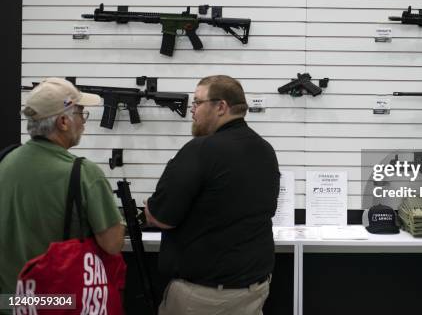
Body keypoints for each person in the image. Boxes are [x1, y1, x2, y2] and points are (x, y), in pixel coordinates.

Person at [145, 75, 280, 315]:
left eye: (197, 103)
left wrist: (148, 207)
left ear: (221, 107)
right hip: (254, 291)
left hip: (203, 298)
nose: (192, 111)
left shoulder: (200, 149)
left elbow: (159, 218)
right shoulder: (265, 150)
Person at [0, 78, 125, 301]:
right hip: (58, 302)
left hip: (10, 301)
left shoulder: (5, 161)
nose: (84, 122)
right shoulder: (84, 173)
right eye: (81, 113)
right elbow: (113, 244)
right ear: (64, 122)